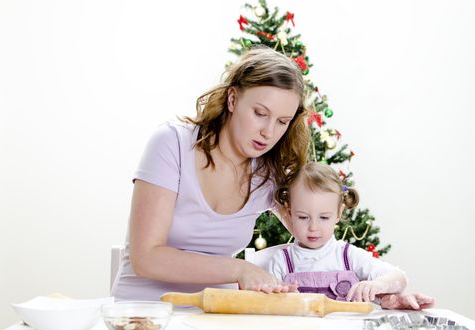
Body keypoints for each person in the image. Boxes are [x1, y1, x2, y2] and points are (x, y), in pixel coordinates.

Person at [111, 46, 310, 301]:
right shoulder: (173, 144)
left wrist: (376, 281)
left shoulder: (267, 174)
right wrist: (239, 269)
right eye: (260, 113)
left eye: (283, 121)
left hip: (214, 318)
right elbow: (146, 258)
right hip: (144, 317)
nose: (269, 132)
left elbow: (317, 234)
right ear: (233, 99)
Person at [268, 162, 435, 310]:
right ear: (289, 213)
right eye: (303, 217)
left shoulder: (347, 255)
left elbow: (400, 277)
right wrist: (281, 298)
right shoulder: (281, 261)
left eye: (324, 217)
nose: (313, 227)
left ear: (338, 213)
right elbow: (267, 307)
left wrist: (376, 286)